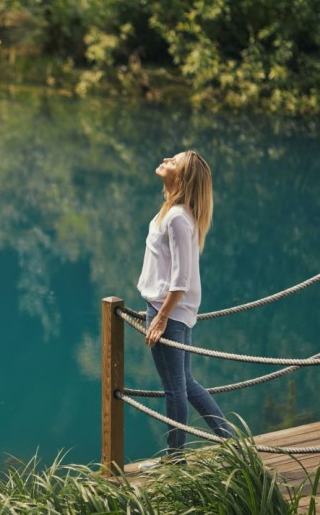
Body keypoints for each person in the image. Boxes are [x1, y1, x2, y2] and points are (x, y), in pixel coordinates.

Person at [137, 150, 234, 466]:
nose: (165, 159)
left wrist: (161, 317)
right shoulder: (171, 212)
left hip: (170, 312)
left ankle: (175, 459)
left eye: (173, 162)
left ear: (181, 177)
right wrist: (153, 307)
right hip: (164, 307)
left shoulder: (178, 218)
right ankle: (232, 443)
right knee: (187, 385)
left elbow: (180, 278)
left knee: (174, 390)